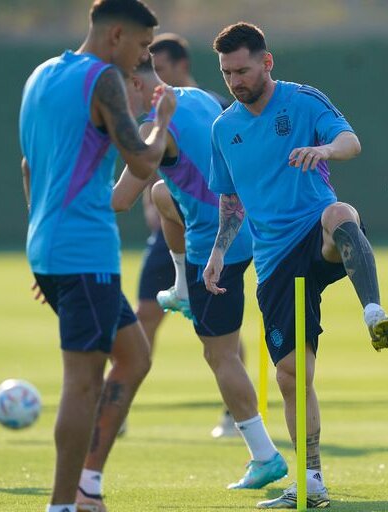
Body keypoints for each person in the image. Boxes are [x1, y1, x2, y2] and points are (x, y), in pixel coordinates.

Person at [204, 22, 388, 509]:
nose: (235, 80)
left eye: (243, 70)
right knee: (293, 376)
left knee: (339, 213)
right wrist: (218, 253)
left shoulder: (303, 100)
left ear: (266, 62)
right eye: (227, 73)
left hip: (315, 232)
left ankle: (374, 311)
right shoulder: (223, 129)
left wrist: (325, 149)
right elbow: (231, 203)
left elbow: (350, 142)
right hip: (273, 260)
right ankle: (310, 480)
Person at [18, 1, 171, 511]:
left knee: (133, 357)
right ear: (117, 36)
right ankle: (63, 505)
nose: (142, 59)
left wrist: (43, 243)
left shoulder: (42, 74)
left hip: (52, 246)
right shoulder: (104, 78)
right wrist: (161, 119)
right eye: (143, 46)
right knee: (82, 384)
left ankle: (86, 487)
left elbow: (27, 166)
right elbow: (143, 159)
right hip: (83, 252)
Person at [112, 58, 288, 492]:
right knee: (163, 193)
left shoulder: (157, 127)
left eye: (115, 95)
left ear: (135, 83)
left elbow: (119, 200)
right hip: (246, 226)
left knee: (220, 356)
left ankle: (264, 456)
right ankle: (181, 288)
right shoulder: (195, 97)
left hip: (216, 249)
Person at [135, 33, 240, 438]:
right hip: (172, 224)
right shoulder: (156, 117)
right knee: (144, 314)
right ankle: (120, 402)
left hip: (212, 225)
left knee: (219, 329)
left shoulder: (208, 103)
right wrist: (156, 202)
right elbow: (158, 172)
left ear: (181, 67)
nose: (154, 80)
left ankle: (235, 413)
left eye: (160, 71)